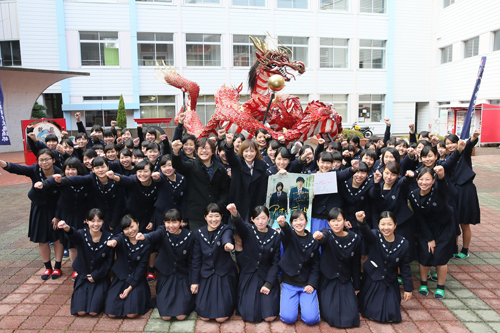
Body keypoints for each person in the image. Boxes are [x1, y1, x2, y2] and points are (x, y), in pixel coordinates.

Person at [0, 149, 63, 280]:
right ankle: (47, 267)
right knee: (42, 239)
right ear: (37, 161)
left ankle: (57, 266)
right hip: (39, 208)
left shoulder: (59, 172)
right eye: (41, 160)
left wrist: (57, 216)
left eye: (47, 159)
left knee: (57, 237)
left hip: (55, 209)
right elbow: (16, 169)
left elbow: (63, 197)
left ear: (53, 160)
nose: (44, 162)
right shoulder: (35, 170)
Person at [35, 157, 90, 281]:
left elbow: (91, 200)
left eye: (73, 169)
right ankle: (76, 269)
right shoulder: (61, 181)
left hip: (83, 217)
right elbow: (59, 201)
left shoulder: (86, 181)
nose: (70, 172)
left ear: (79, 170)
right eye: (68, 169)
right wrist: (57, 216)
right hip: (68, 216)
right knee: (71, 245)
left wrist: (89, 215)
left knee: (84, 243)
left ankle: (86, 267)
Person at [136, 209, 195, 321]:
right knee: (166, 316)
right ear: (164, 222)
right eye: (168, 222)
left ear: (181, 222)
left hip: (182, 276)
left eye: (174, 222)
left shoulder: (189, 236)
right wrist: (145, 237)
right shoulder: (162, 231)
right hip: (166, 275)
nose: (171, 225)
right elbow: (154, 235)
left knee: (181, 316)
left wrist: (193, 282)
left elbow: (193, 261)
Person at [227, 203, 280, 322]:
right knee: (249, 314)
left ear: (269, 218)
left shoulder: (275, 236)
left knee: (270, 316)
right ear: (252, 219)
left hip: (266, 275)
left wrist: (269, 283)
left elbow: (276, 263)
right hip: (249, 274)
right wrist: (235, 213)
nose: (260, 221)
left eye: (263, 218)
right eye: (257, 218)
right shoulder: (248, 230)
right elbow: (239, 224)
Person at [357, 210, 413, 323]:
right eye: (382, 224)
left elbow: (405, 267)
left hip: (390, 279)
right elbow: (365, 233)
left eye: (389, 224)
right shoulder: (374, 236)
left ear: (395, 225)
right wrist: (361, 222)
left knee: (392, 313)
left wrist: (408, 288)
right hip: (373, 277)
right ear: (378, 225)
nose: (386, 227)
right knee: (372, 311)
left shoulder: (403, 243)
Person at [410, 166, 456, 299]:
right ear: (417, 179)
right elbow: (419, 217)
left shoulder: (438, 191)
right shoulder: (413, 195)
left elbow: (443, 188)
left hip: (444, 227)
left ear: (433, 180)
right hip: (426, 228)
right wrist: (429, 238)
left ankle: (440, 287)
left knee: (440, 257)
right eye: (421, 179)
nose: (424, 182)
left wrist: (441, 175)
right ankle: (423, 283)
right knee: (424, 254)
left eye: (428, 179)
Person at [57, 209, 113, 316]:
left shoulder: (109, 237)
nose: (96, 224)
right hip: (83, 277)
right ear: (86, 221)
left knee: (93, 312)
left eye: (99, 221)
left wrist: (96, 275)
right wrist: (66, 227)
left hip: (100, 278)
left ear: (103, 221)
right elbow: (73, 235)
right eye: (92, 221)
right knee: (81, 312)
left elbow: (108, 262)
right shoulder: (82, 234)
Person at [313, 207, 361, 328]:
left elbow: (356, 263)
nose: (336, 223)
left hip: (344, 279)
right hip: (328, 279)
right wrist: (319, 237)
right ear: (329, 223)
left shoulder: (355, 238)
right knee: (331, 314)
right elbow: (323, 238)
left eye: (339, 220)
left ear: (345, 221)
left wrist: (356, 286)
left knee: (352, 315)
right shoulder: (327, 233)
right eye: (333, 221)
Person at [190, 203, 237, 322]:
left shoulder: (226, 229)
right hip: (207, 274)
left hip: (223, 273)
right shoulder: (198, 233)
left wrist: (227, 245)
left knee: (221, 317)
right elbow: (196, 259)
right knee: (204, 317)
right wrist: (195, 282)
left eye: (217, 216)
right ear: (205, 217)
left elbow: (227, 237)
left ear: (221, 216)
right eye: (210, 216)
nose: (214, 220)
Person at [171, 138, 230, 231]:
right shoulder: (191, 165)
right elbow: (179, 166)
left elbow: (225, 191)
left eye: (207, 148)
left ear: (213, 151)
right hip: (196, 214)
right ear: (196, 151)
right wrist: (175, 152)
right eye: (201, 148)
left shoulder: (220, 168)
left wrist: (218, 206)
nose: (204, 151)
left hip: (215, 214)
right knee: (197, 242)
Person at [276, 212, 320, 326]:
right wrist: (283, 225)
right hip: (289, 283)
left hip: (306, 285)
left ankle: (306, 303)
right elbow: (286, 232)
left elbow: (316, 265)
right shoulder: (289, 237)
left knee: (311, 319)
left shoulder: (313, 239)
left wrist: (311, 284)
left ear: (306, 221)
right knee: (288, 318)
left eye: (301, 219)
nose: (298, 223)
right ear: (291, 223)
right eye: (295, 220)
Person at [105, 215, 152, 318]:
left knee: (131, 313)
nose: (130, 230)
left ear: (138, 223)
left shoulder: (145, 242)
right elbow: (116, 239)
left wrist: (129, 288)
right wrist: (113, 242)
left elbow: (142, 267)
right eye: (126, 228)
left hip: (136, 279)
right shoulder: (121, 238)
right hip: (120, 278)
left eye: (132, 226)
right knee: (112, 313)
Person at [446, 130, 481, 259]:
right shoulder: (448, 158)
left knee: (464, 223)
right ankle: (454, 248)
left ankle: (465, 250)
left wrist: (474, 138)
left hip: (465, 191)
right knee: (453, 221)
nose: (450, 146)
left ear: (458, 143)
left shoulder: (464, 155)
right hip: (453, 191)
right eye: (448, 144)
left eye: (452, 143)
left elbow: (469, 146)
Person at [224, 133, 269, 222]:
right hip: (238, 202)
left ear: (256, 152)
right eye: (246, 151)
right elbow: (230, 156)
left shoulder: (261, 165)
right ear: (242, 152)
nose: (249, 154)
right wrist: (229, 144)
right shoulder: (237, 162)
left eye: (252, 151)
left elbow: (263, 187)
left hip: (254, 202)